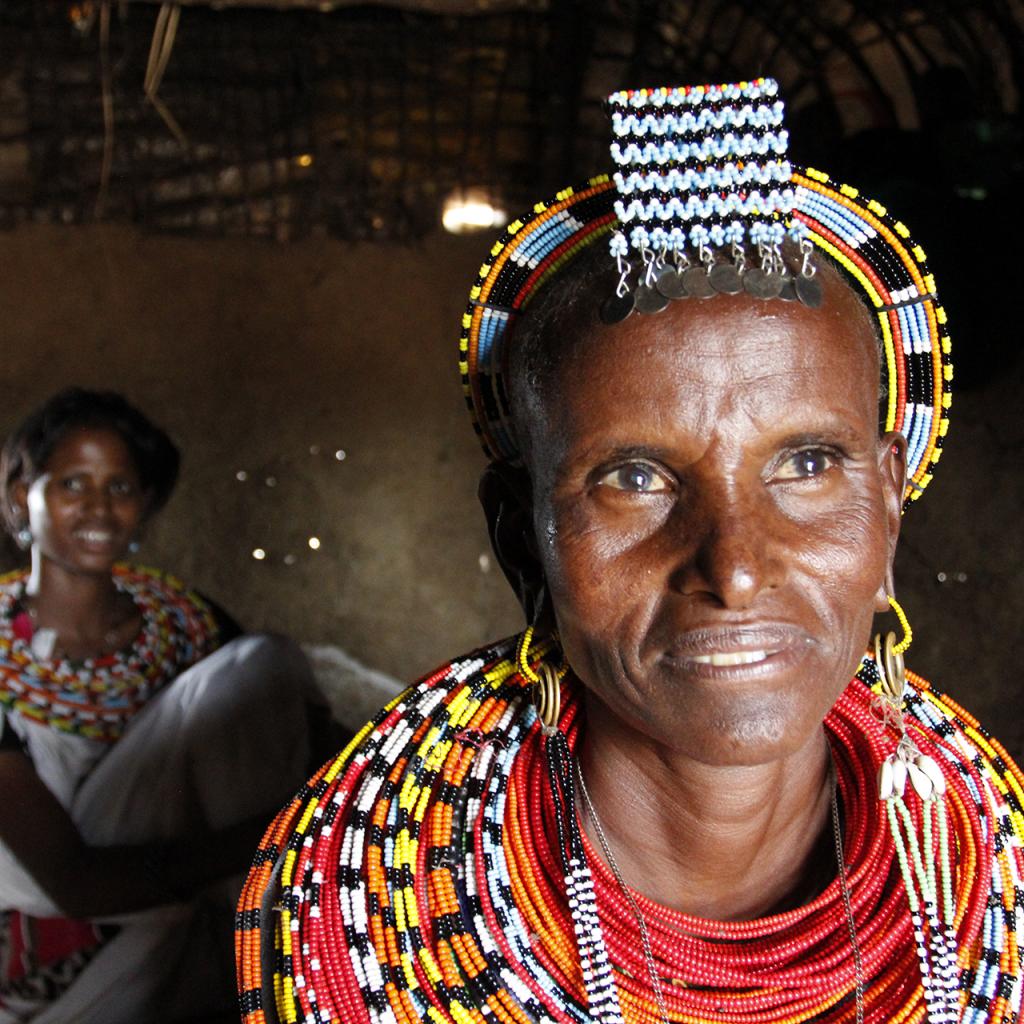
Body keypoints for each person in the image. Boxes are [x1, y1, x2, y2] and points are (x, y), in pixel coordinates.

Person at [236, 79, 1023, 1024]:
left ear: (889, 507)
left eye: (808, 463)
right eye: (637, 479)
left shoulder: (993, 884)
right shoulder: (356, 907)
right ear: (523, 539)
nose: (733, 570)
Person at [0, 388, 323, 1024]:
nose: (98, 506)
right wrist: (278, 833)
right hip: (65, 906)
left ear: (144, 506)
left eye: (121, 487)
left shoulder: (190, 626)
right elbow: (74, 880)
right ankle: (277, 912)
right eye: (71, 483)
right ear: (21, 499)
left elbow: (295, 730)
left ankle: (283, 934)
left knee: (261, 666)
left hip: (178, 904)